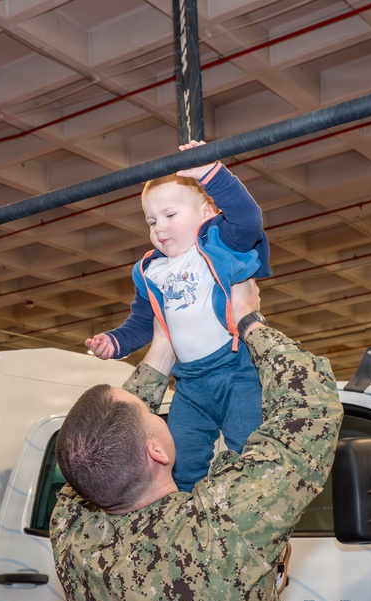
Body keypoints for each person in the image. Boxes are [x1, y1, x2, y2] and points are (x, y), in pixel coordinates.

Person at [51, 279, 344, 601]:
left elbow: (98, 447)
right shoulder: (220, 524)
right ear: (155, 451)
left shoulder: (72, 533)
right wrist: (250, 320)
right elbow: (311, 409)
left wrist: (162, 350)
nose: (152, 406)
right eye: (148, 411)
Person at [85, 141, 272, 491]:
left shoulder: (219, 244)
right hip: (188, 382)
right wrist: (114, 341)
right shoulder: (151, 271)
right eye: (151, 221)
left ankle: (254, 522)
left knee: (250, 452)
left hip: (236, 371)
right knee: (179, 459)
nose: (159, 228)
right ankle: (185, 517)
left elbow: (249, 220)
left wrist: (211, 175)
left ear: (207, 211)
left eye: (170, 215)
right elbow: (142, 322)